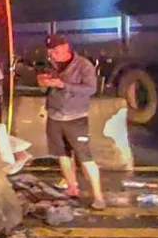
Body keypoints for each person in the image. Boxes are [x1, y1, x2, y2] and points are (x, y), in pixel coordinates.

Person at [37, 34, 106, 210]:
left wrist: (63, 85)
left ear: (66, 47)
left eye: (56, 51)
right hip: (54, 116)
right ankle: (72, 188)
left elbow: (91, 89)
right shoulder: (51, 64)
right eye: (50, 52)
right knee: (62, 154)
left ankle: (98, 196)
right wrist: (43, 82)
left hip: (75, 118)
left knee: (85, 157)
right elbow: (45, 87)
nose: (53, 55)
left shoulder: (83, 65)